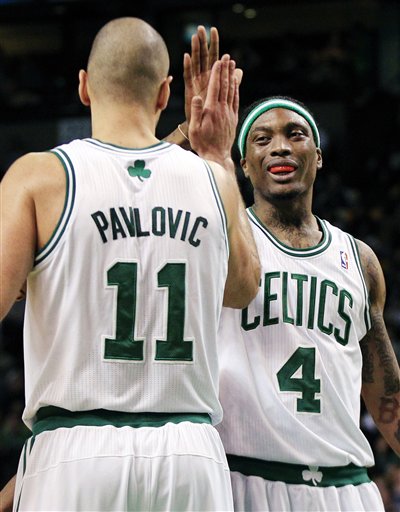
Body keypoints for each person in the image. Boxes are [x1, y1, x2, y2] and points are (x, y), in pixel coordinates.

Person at [0, 17, 260, 512]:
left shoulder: (38, 177)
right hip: (190, 454)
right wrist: (219, 158)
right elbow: (243, 290)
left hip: (74, 451)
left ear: (83, 86)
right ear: (165, 93)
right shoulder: (216, 182)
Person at [214, 94, 400, 511]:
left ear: (317, 156)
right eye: (261, 140)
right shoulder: (220, 238)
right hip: (245, 477)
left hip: (345, 486)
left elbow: (386, 390)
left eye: (294, 135)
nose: (279, 146)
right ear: (244, 165)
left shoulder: (360, 261)